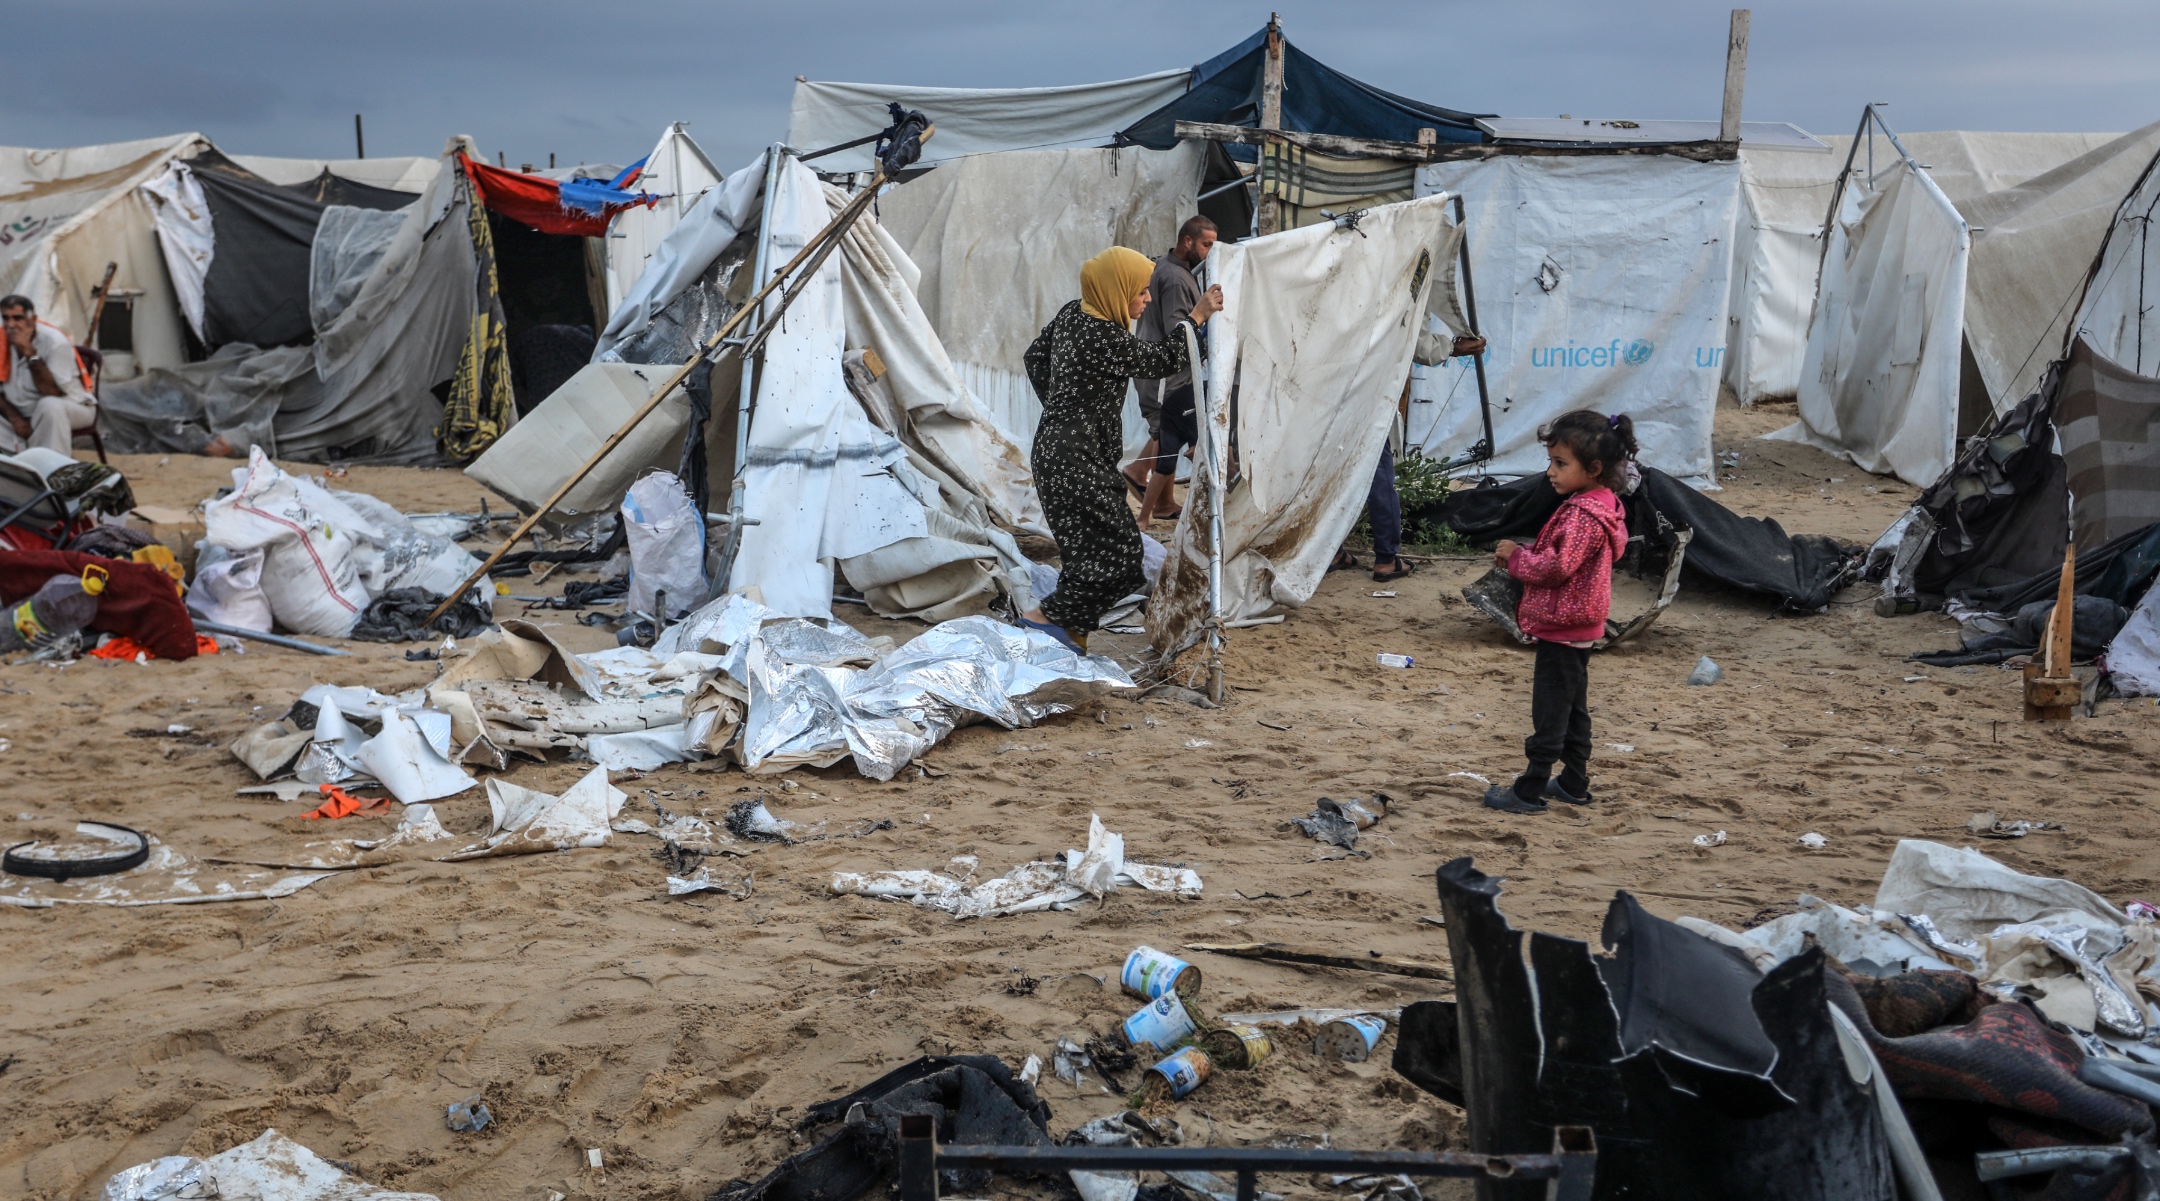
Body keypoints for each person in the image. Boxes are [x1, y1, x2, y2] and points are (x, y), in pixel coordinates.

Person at [1021, 247, 1223, 651]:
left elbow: (1034, 358)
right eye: (1141, 291)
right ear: (1117, 289)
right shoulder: (1103, 335)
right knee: (1122, 555)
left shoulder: (1072, 315)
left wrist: (1064, 407)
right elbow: (1162, 359)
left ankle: (1064, 632)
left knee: (1087, 552)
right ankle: (1044, 619)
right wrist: (1196, 317)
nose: (1147, 299)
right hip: (1075, 461)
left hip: (1055, 452)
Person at [1482, 410, 1634, 816]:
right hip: (1579, 626)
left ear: (1594, 468)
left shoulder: (1583, 515)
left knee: (1550, 712)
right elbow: (1566, 561)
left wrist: (1516, 558)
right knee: (1573, 708)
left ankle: (1528, 790)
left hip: (1562, 627)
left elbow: (1556, 568)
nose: (1550, 472)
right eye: (1551, 461)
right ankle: (1573, 783)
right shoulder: (1604, 505)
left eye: (1560, 463)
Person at [1128, 215, 1218, 525]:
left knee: (1166, 434)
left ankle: (1161, 501)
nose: (1210, 252)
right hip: (1164, 371)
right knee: (1165, 433)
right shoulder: (1179, 279)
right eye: (1206, 244)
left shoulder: (1167, 267)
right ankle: (1142, 488)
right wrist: (1204, 323)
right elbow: (1178, 329)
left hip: (1157, 365)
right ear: (1188, 241)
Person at [0, 295, 95, 456]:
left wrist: (30, 354)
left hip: (72, 406)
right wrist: (15, 417)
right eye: (5, 318)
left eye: (18, 318)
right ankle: (18, 465)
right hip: (21, 412)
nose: (10, 325)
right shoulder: (2, 339)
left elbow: (52, 391)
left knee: (50, 406)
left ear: (33, 319)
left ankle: (52, 468)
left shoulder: (54, 342)